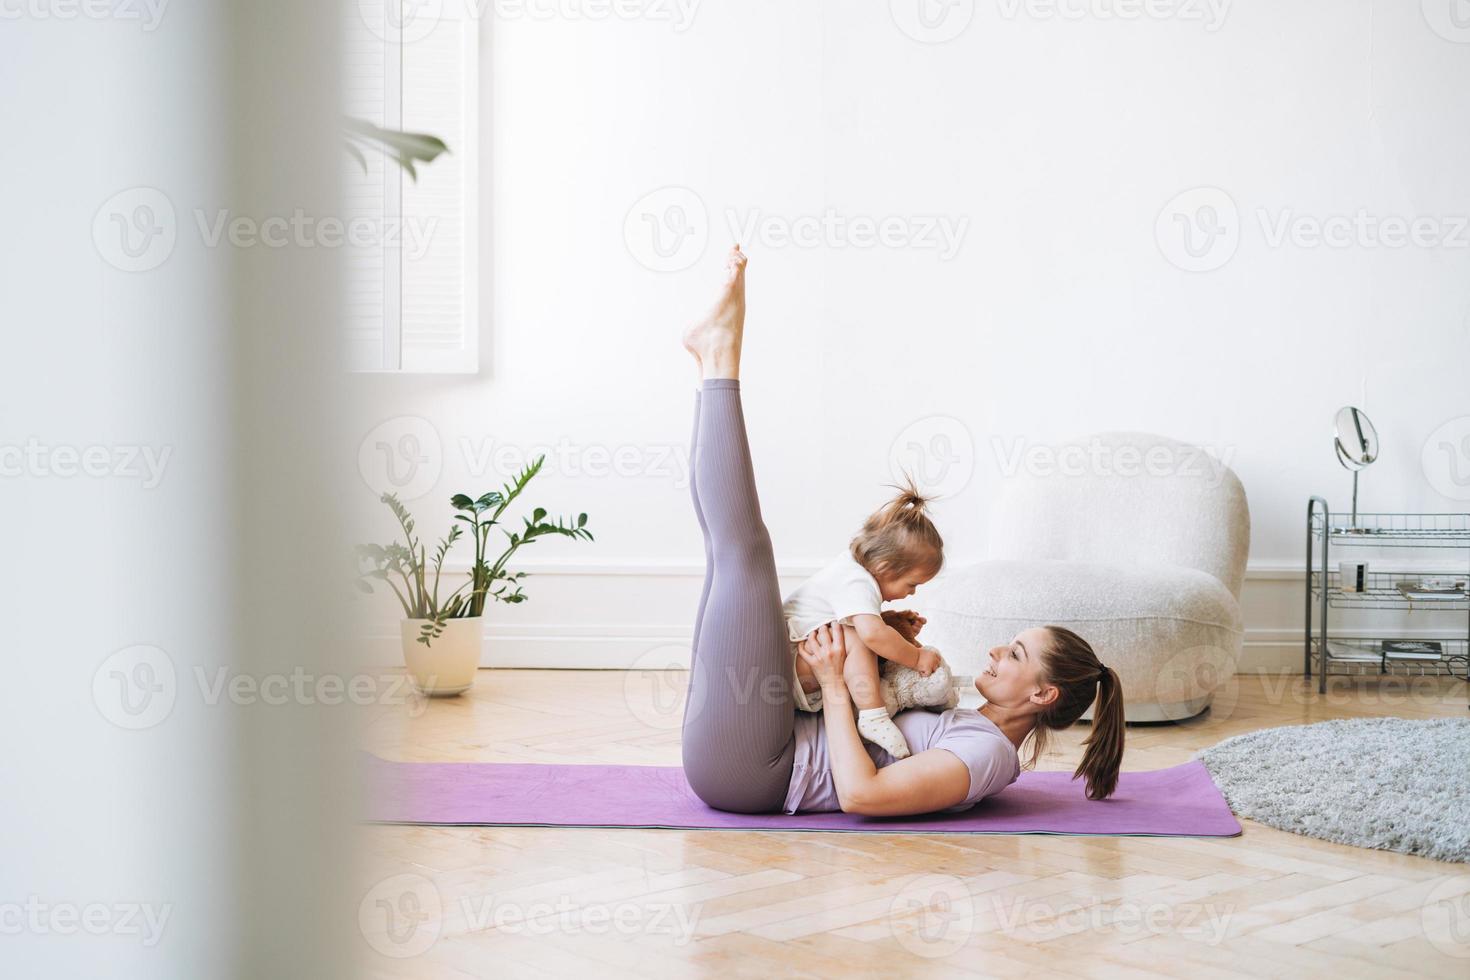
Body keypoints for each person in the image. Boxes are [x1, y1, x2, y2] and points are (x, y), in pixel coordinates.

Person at [680, 244, 1125, 816]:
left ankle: (720, 356)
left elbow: (864, 795)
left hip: (759, 770)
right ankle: (707, 365)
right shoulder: (970, 722)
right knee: (729, 555)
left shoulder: (987, 755)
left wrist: (837, 684)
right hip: (757, 743)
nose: (995, 649)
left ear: (1042, 695)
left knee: (745, 556)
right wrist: (881, 636)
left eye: (1015, 653)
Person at [781, 478, 946, 760]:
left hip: (805, 660)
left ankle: (864, 706)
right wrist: (917, 659)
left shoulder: (853, 571)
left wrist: (889, 620)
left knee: (869, 632)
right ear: (884, 568)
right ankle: (873, 715)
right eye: (911, 584)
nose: (912, 593)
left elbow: (862, 624)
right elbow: (872, 634)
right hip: (795, 663)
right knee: (863, 636)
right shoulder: (856, 582)